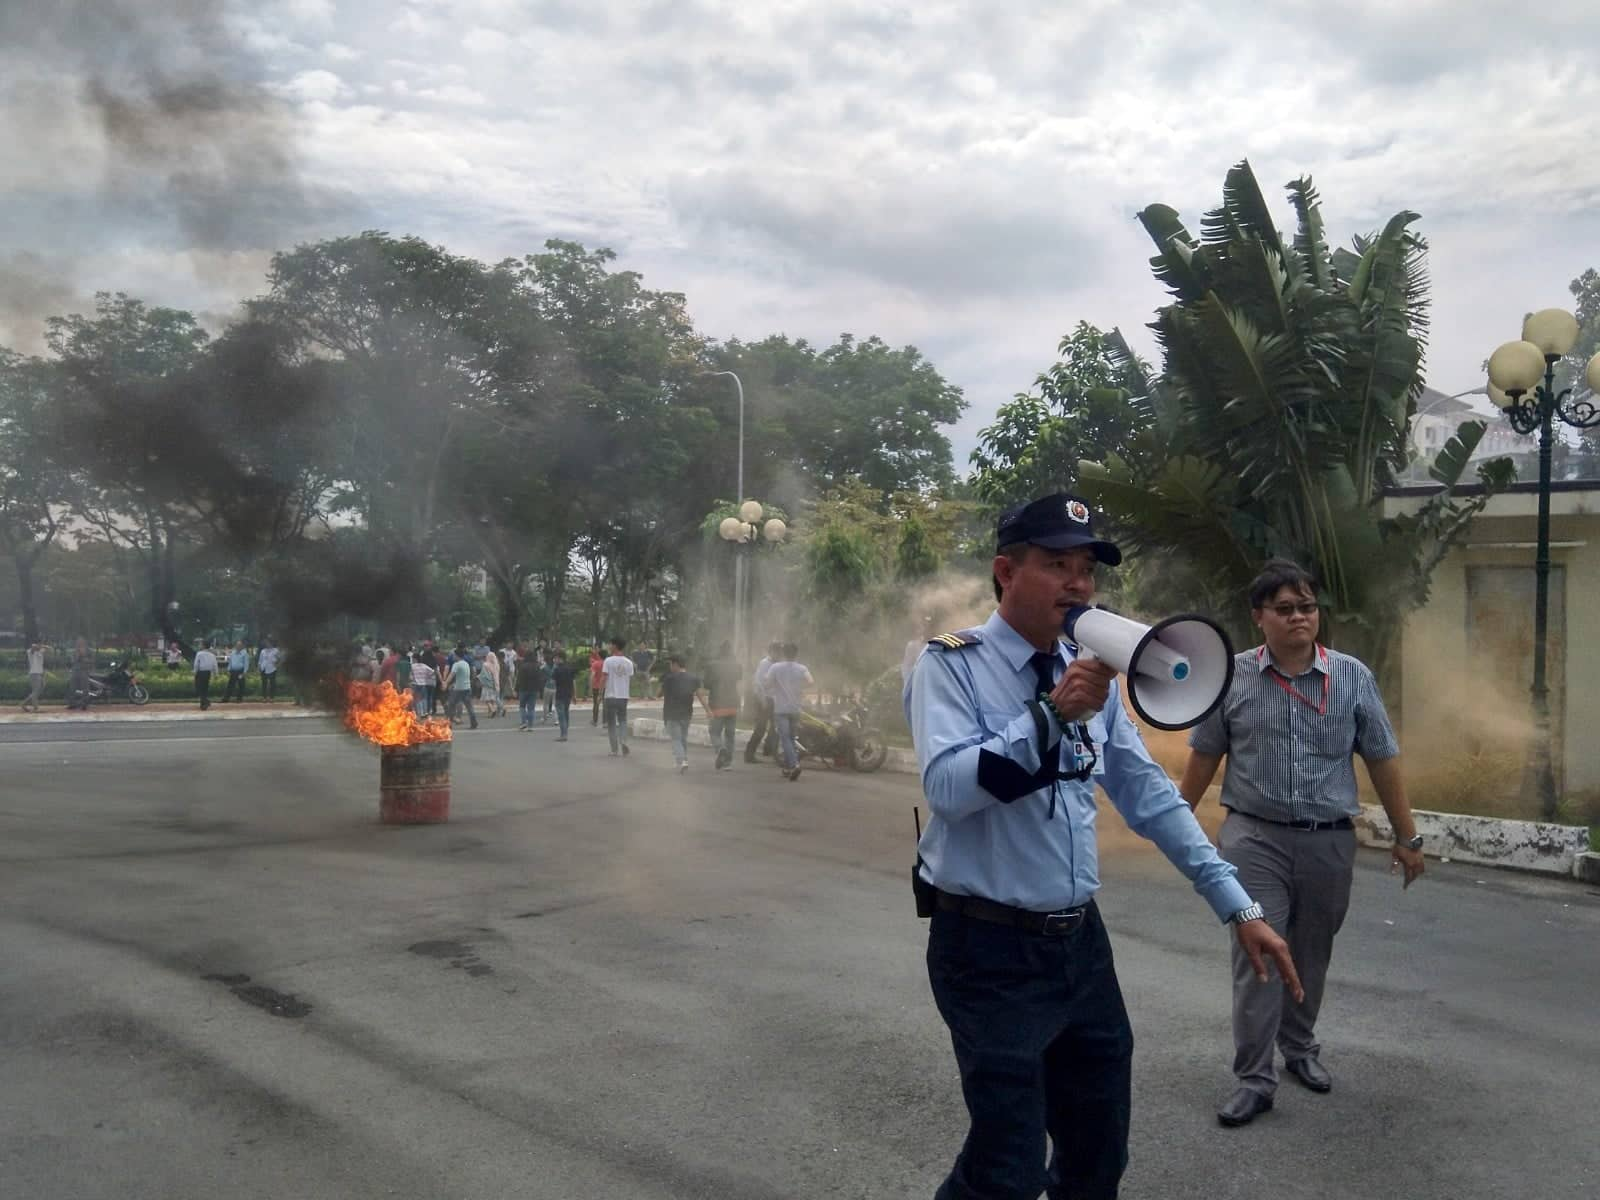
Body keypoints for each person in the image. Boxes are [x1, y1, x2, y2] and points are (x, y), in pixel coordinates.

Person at [906, 492, 1300, 1200]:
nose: (1079, 585)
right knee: (1008, 1167)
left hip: (1078, 947)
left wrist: (1237, 906)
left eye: (1087, 569)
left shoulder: (1096, 675)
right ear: (1006, 570)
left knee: (1096, 1155)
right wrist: (1052, 714)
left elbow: (1150, 798)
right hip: (988, 950)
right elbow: (951, 789)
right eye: (1058, 565)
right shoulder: (952, 666)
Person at [1179, 558, 1423, 1128]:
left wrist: (1407, 837)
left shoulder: (1353, 677)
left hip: (1328, 841)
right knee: (1259, 955)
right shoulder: (1231, 677)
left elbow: (1383, 759)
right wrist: (1176, 826)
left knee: (1312, 953)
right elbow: (1204, 757)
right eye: (1284, 609)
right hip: (1253, 838)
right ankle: (1254, 1079)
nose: (1298, 618)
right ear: (1258, 617)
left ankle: (1300, 1048)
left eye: (1307, 607)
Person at [764, 642, 814, 782]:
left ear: (784, 653)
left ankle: (794, 765)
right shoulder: (802, 668)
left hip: (781, 709)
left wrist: (774, 685)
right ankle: (787, 768)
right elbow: (811, 682)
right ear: (796, 654)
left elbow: (767, 683)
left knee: (785, 738)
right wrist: (799, 688)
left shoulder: (775, 667)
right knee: (791, 739)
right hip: (795, 708)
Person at [659, 654, 703, 773]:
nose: (670, 667)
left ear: (676, 664)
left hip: (672, 714)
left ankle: (682, 760)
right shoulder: (693, 679)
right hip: (687, 714)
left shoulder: (669, 678)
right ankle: (682, 760)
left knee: (676, 739)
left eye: (670, 664)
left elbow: (659, 693)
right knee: (683, 738)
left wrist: (659, 689)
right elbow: (700, 695)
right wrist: (708, 710)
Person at [701, 641, 741, 771]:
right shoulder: (737, 665)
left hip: (718, 703)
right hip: (733, 704)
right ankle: (727, 763)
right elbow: (739, 679)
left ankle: (720, 749)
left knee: (714, 731)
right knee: (730, 734)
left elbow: (706, 684)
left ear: (720, 651)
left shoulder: (711, 665)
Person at [743, 641, 781, 764]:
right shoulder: (765, 663)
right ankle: (749, 755)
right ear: (771, 651)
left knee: (776, 728)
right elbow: (758, 684)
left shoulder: (778, 664)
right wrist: (762, 700)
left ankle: (769, 750)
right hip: (763, 700)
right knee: (760, 728)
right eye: (777, 651)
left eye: (780, 651)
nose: (779, 654)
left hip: (774, 700)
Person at [601, 637, 634, 756]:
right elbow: (629, 678)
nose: (609, 646)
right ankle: (624, 741)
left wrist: (600, 693)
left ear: (615, 646)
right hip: (623, 696)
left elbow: (604, 678)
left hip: (610, 696)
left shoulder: (608, 661)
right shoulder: (629, 662)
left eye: (610, 644)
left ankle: (614, 749)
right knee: (623, 720)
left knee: (611, 724)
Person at [444, 651, 478, 730]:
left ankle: (448, 723)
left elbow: (451, 675)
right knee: (469, 706)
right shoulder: (466, 663)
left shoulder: (456, 664)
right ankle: (474, 722)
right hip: (467, 687)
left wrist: (445, 683)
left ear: (457, 656)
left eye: (454, 655)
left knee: (451, 705)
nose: (452, 657)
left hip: (459, 688)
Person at [550, 649, 577, 742]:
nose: (554, 660)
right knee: (566, 713)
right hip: (568, 694)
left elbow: (552, 682)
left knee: (561, 715)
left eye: (555, 658)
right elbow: (574, 682)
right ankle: (566, 731)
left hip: (560, 694)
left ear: (559, 658)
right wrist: (574, 695)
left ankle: (563, 734)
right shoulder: (570, 668)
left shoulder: (556, 670)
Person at [516, 653, 544, 731]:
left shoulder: (523, 666)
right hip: (534, 689)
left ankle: (524, 722)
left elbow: (519, 679)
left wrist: (516, 689)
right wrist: (540, 690)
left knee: (522, 706)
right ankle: (530, 725)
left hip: (523, 689)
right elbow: (540, 679)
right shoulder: (537, 667)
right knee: (531, 708)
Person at [66, 637, 92, 710]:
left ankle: (84, 704)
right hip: (75, 670)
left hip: (84, 670)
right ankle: (71, 703)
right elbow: (73, 660)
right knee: (72, 687)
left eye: (81, 642)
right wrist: (78, 654)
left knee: (85, 688)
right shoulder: (75, 651)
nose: (79, 643)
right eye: (78, 642)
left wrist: (84, 657)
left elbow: (91, 660)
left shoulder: (88, 651)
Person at [410, 651, 437, 719]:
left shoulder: (412, 666)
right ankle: (425, 712)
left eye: (413, 659)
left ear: (415, 659)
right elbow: (433, 672)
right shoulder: (424, 666)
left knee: (417, 699)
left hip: (415, 684)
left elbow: (410, 676)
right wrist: (427, 677)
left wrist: (411, 679)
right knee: (424, 699)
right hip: (423, 684)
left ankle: (420, 713)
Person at [192, 640, 218, 711]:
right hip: (208, 673)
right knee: (205, 688)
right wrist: (216, 674)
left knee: (199, 688)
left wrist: (194, 672)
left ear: (203, 646)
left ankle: (204, 703)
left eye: (200, 644)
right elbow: (215, 664)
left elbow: (196, 664)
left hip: (200, 673)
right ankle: (205, 702)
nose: (199, 645)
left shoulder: (199, 654)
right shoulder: (212, 655)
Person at [22, 641, 46, 712]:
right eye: (38, 644)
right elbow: (33, 648)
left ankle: (23, 704)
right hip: (34, 674)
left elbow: (47, 649)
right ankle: (35, 707)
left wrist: (42, 647)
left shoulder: (41, 651)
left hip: (40, 673)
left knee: (39, 690)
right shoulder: (30, 651)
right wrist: (38, 646)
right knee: (36, 691)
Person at [477, 653, 502, 720]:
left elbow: (483, 675)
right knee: (492, 699)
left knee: (486, 699)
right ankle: (490, 713)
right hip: (495, 684)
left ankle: (492, 710)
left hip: (487, 684)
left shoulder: (485, 665)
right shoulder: (497, 665)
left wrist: (480, 680)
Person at [589, 646, 605, 725]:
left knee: (596, 703)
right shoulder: (607, 663)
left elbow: (592, 675)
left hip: (596, 686)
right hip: (605, 686)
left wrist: (590, 685)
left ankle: (595, 720)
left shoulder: (595, 664)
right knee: (606, 704)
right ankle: (605, 721)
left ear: (599, 655)